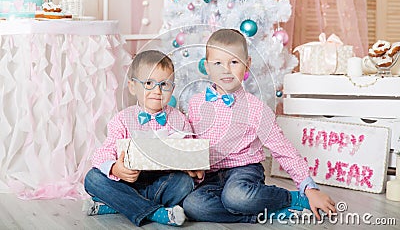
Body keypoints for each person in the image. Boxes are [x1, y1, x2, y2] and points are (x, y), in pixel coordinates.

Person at [183, 29, 336, 223]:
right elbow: (189, 138)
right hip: (210, 175)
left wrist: (308, 187)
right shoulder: (196, 103)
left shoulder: (255, 108)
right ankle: (263, 213)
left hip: (243, 171)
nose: (226, 69)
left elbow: (283, 149)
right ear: (206, 67)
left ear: (247, 64)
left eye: (234, 62)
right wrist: (189, 162)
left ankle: (292, 198)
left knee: (236, 197)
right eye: (218, 63)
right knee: (193, 205)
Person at [84, 50, 196, 227]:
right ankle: (156, 212)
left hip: (162, 183)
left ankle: (119, 205)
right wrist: (115, 169)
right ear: (132, 86)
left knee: (185, 183)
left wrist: (193, 168)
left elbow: (190, 152)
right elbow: (102, 154)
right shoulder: (122, 119)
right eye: (149, 83)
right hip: (128, 182)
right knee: (92, 178)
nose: (157, 91)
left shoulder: (180, 120)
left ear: (172, 88)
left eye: (164, 84)